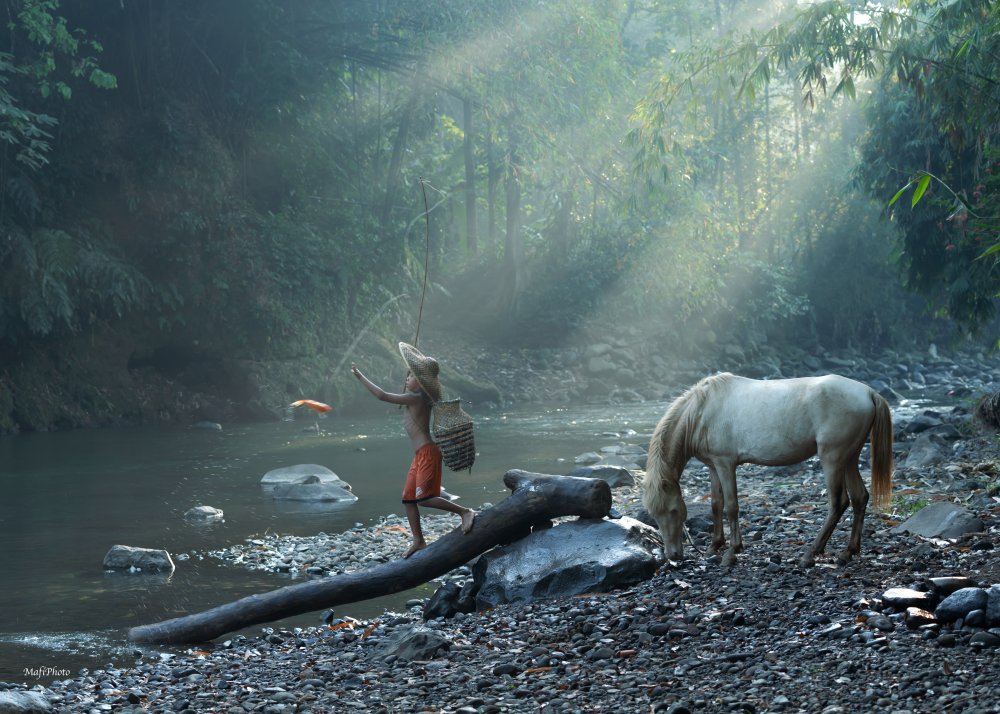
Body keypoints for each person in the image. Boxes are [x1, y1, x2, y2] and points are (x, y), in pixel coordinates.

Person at [351, 342, 475, 558]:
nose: (407, 379)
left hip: (428, 453)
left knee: (425, 499)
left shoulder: (416, 399)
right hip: (419, 455)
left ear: (422, 384)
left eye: (411, 377)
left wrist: (360, 377)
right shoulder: (415, 399)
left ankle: (464, 511)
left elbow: (382, 396)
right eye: (407, 376)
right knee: (408, 499)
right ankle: (419, 540)